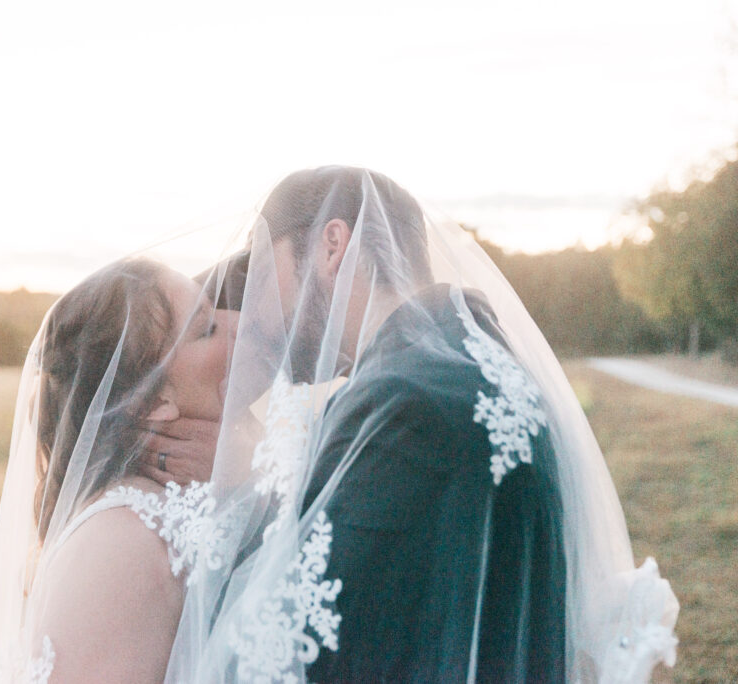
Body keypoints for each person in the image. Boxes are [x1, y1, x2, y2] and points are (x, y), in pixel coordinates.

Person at [162, 166, 679, 683]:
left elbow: (277, 650)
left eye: (262, 266)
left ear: (332, 246)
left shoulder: (406, 406)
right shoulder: (473, 362)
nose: (253, 307)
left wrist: (234, 494)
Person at [0, 258, 237, 683]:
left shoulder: (188, 499)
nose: (238, 326)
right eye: (206, 329)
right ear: (153, 400)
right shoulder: (125, 536)